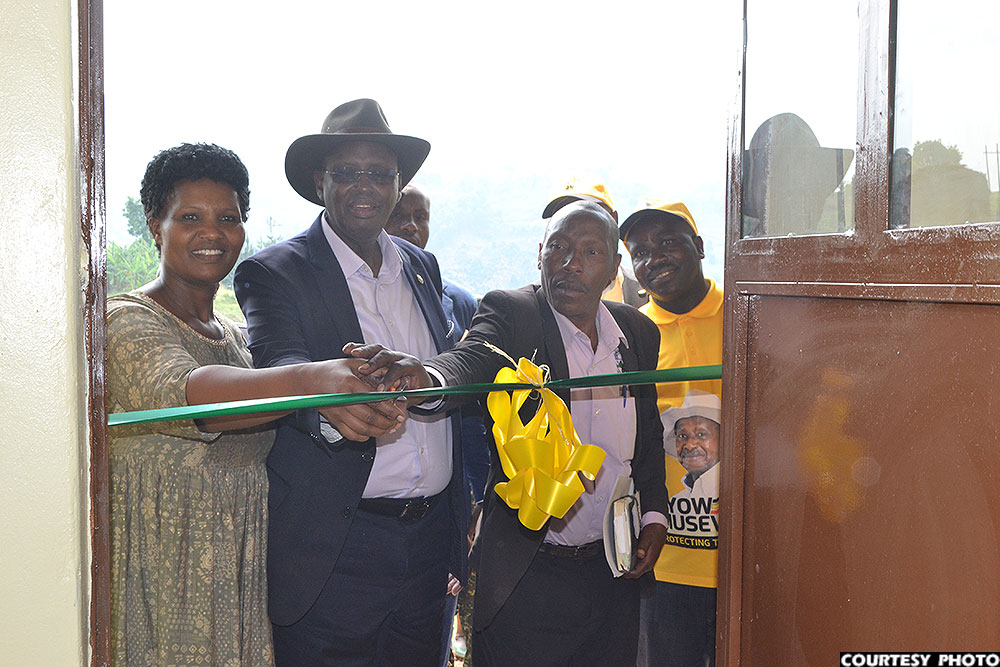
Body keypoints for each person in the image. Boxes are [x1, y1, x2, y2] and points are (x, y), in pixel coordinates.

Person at [106, 143, 405, 666]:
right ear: (155, 225)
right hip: (164, 574)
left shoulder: (239, 341)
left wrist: (361, 378)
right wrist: (316, 379)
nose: (212, 233)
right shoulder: (126, 320)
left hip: (241, 579)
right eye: (190, 217)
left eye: (228, 218)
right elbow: (194, 392)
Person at [355, 200, 668, 666]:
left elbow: (646, 436)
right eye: (558, 248)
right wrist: (426, 378)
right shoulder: (514, 313)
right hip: (531, 573)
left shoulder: (638, 332)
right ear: (539, 252)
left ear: (614, 267)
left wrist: (656, 516)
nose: (570, 264)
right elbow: (474, 358)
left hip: (613, 571)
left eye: (589, 252)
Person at [233, 99, 469, 666]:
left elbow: (445, 374)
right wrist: (335, 411)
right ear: (320, 182)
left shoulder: (420, 265)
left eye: (379, 172)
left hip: (429, 543)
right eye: (347, 172)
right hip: (337, 550)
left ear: (398, 183)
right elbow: (279, 368)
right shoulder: (274, 272)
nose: (364, 186)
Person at [385, 183, 489, 664]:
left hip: (447, 492)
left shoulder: (458, 301)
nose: (411, 226)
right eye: (399, 215)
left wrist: (473, 497)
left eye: (420, 216)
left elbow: (471, 412)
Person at [620, 201, 722, 667]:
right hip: (666, 560)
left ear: (699, 247)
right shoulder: (632, 337)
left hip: (743, 558)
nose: (654, 258)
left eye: (667, 243)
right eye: (640, 251)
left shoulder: (745, 313)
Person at [542, 176, 646, 308]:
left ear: (613, 219)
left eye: (589, 212)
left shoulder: (645, 296)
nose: (573, 224)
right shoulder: (530, 309)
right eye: (563, 215)